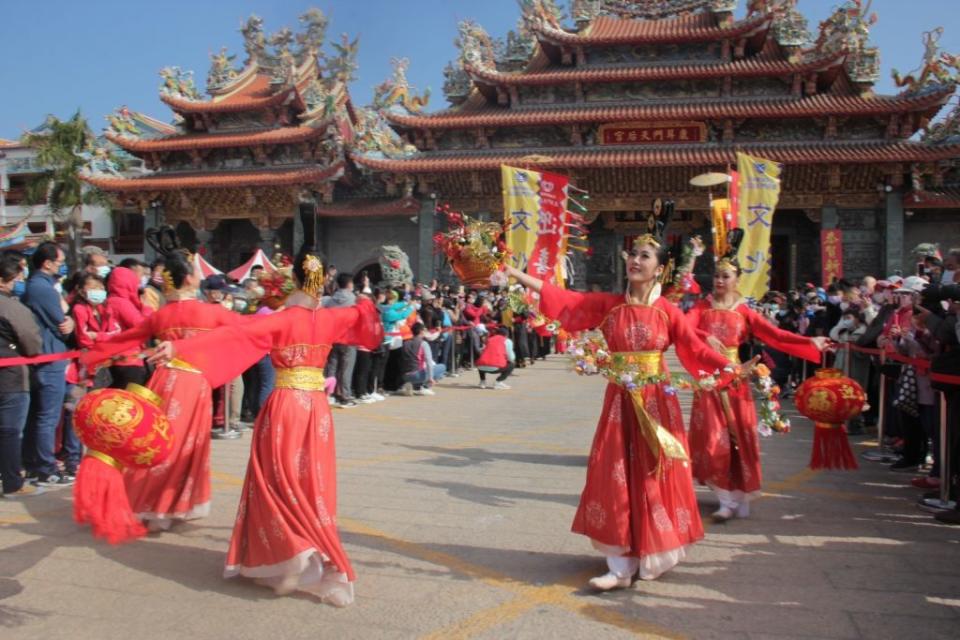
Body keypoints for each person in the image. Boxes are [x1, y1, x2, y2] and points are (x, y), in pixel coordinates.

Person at [504, 225, 738, 590]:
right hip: (619, 401)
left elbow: (695, 349)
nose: (635, 260)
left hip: (658, 402)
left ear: (659, 268)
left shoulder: (667, 311)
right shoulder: (610, 305)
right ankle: (619, 564)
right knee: (614, 471)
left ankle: (654, 552)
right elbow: (564, 299)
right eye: (633, 254)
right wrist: (515, 275)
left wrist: (729, 369)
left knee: (653, 474)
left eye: (645, 255)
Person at [147, 248, 382, 606]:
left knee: (275, 481)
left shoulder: (281, 319)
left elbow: (230, 335)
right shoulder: (335, 318)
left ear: (293, 282)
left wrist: (178, 346)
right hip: (316, 408)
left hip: (285, 404)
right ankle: (313, 553)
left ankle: (287, 554)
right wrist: (363, 302)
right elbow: (366, 315)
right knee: (312, 481)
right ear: (324, 282)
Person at [79, 253, 247, 532]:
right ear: (190, 278)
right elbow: (248, 330)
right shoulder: (211, 312)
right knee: (181, 447)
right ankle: (162, 504)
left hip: (161, 381)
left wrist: (92, 351)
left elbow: (125, 338)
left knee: (154, 443)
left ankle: (147, 501)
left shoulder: (162, 314)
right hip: (192, 384)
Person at [685, 240, 827, 522]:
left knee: (740, 438)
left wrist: (810, 341)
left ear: (738, 279)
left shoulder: (744, 311)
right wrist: (703, 337)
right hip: (710, 381)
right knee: (712, 439)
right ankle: (724, 496)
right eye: (716, 275)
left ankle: (738, 493)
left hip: (736, 380)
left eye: (726, 276)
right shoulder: (702, 307)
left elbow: (775, 336)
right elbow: (683, 327)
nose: (720, 281)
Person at [21, 242, 75, 486]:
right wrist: (70, 323)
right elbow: (61, 324)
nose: (62, 266)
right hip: (49, 357)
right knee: (47, 416)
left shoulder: (41, 286)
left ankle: (34, 463)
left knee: (40, 415)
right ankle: (45, 467)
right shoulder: (42, 288)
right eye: (60, 262)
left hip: (48, 357)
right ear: (47, 262)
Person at [0, 256, 44, 497]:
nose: (18, 282)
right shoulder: (12, 307)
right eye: (16, 279)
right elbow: (31, 340)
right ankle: (12, 483)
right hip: (10, 377)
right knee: (9, 431)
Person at [105, 265, 152, 388]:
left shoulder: (111, 300)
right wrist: (146, 308)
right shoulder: (121, 302)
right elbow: (141, 326)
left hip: (121, 357)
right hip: (129, 358)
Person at [323, 272, 358, 408]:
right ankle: (344, 395)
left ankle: (329, 394)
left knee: (332, 365)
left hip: (332, 337)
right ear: (350, 284)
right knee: (346, 368)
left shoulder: (330, 300)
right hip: (348, 338)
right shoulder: (353, 299)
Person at [400, 322, 446, 396]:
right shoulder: (423, 344)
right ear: (421, 331)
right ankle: (426, 387)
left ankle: (414, 385)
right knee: (442, 367)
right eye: (424, 330)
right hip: (416, 374)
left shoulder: (405, 343)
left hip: (405, 375)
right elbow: (428, 362)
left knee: (420, 366)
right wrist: (430, 378)